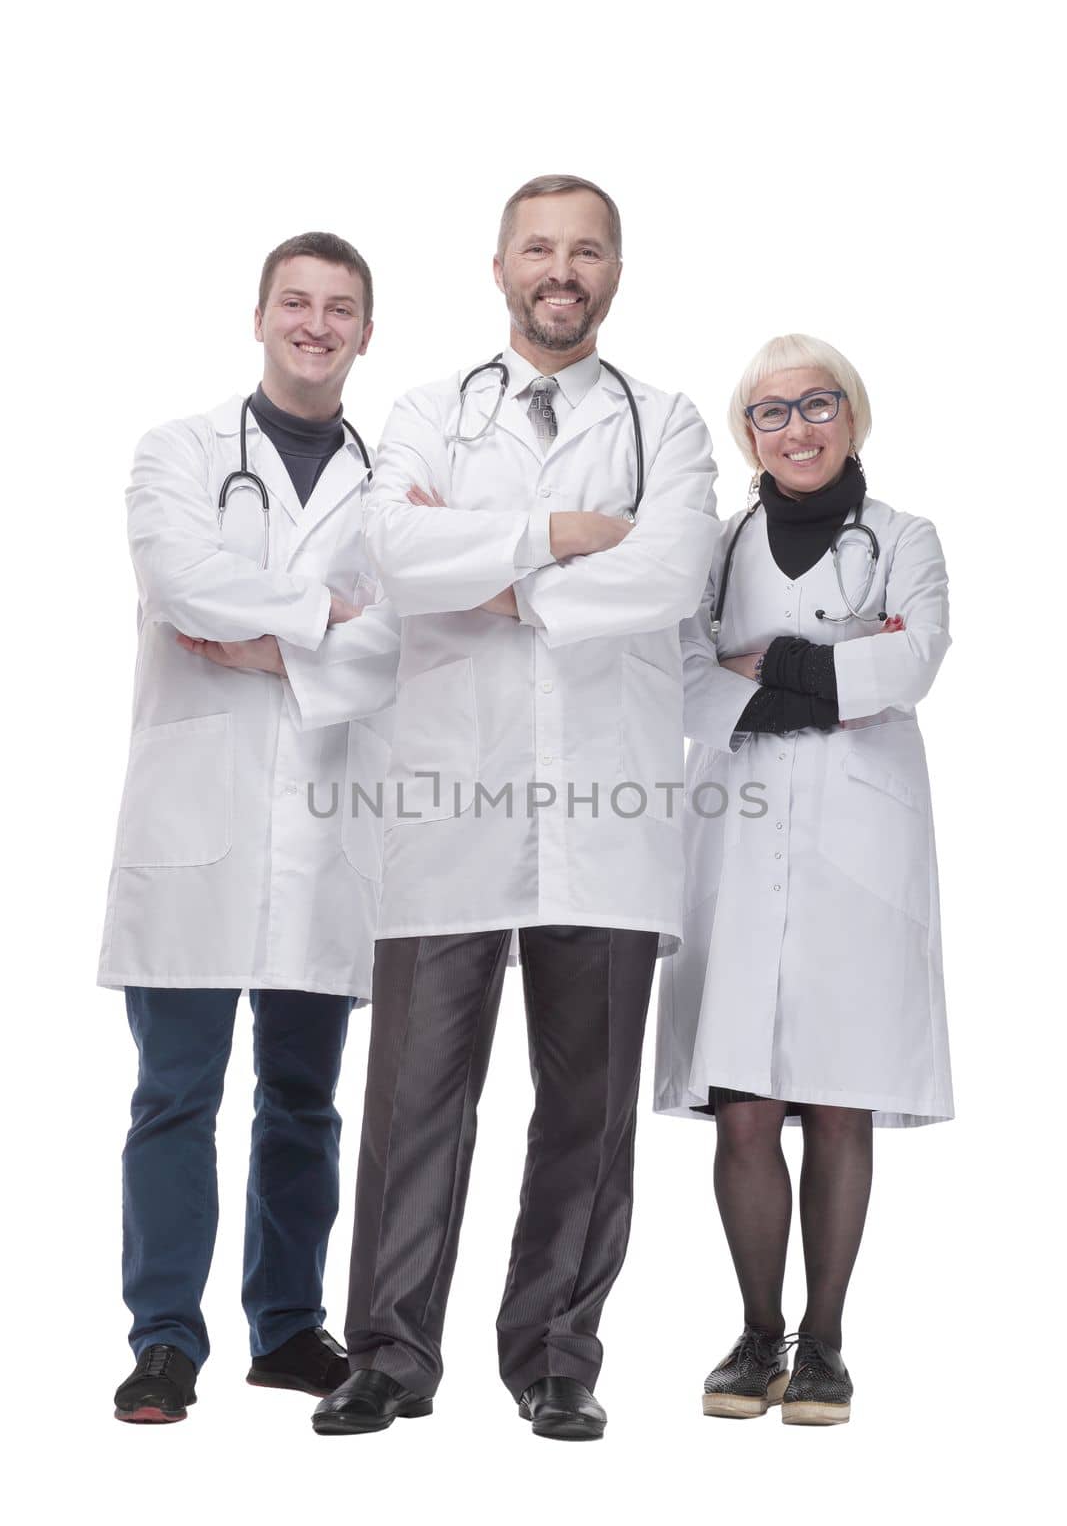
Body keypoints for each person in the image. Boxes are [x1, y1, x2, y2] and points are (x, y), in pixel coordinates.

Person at [312, 174, 717, 1442]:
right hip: (449, 807)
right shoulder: (431, 410)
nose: (562, 269)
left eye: (585, 250)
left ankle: (553, 1353)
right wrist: (563, 534)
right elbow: (391, 550)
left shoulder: (670, 424)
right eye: (538, 248)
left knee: (585, 1111)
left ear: (614, 273)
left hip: (608, 816)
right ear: (498, 268)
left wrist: (493, 568)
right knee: (414, 1096)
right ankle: (386, 1351)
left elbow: (668, 572)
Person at [100, 232, 401, 1423]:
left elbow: (403, 647)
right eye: (297, 303)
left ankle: (287, 1328)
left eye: (340, 309)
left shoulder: (392, 488)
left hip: (326, 830)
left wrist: (275, 642)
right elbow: (176, 579)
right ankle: (165, 1340)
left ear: (366, 333)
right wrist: (328, 613)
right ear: (261, 316)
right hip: (194, 824)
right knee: (174, 1094)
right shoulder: (175, 452)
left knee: (304, 1100)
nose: (316, 325)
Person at [654, 333, 953, 1426]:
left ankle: (823, 1342)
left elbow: (911, 662)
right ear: (747, 435)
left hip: (855, 845)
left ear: (851, 414)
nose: (796, 428)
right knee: (742, 1100)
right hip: (732, 836)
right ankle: (754, 1331)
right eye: (770, 413)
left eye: (816, 404)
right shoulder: (714, 547)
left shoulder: (905, 538)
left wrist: (767, 664)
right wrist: (833, 669)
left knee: (834, 1096)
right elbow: (680, 678)